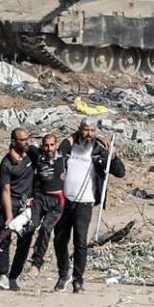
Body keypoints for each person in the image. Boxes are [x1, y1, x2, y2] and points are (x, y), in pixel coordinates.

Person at [53, 117, 125, 293]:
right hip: (64, 201)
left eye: (92, 130)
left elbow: (120, 172)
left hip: (85, 203)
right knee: (59, 240)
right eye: (86, 129)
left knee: (80, 241)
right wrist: (70, 138)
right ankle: (64, 274)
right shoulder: (70, 148)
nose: (89, 134)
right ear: (79, 129)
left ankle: (78, 280)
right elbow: (58, 153)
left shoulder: (99, 151)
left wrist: (113, 156)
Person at [0, 128, 35, 291]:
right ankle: (3, 275)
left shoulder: (31, 154)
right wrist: (9, 215)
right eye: (22, 140)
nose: (26, 142)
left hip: (27, 205)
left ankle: (13, 277)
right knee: (4, 239)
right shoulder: (6, 163)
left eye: (27, 139)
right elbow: (5, 190)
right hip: (11, 203)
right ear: (13, 142)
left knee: (25, 242)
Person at [27, 134, 67, 278]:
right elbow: (23, 145)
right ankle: (21, 257)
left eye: (52, 145)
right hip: (40, 198)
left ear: (56, 145)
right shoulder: (37, 154)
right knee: (30, 225)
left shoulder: (63, 157)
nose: (49, 148)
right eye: (46, 145)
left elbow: (74, 138)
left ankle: (36, 264)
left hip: (57, 201)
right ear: (42, 145)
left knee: (45, 229)